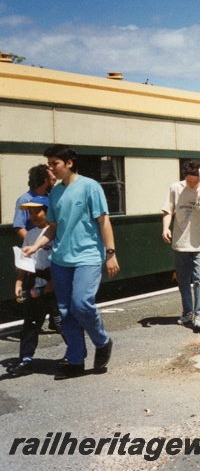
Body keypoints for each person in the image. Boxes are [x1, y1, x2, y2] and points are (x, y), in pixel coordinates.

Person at [23, 144, 119, 380]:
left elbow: (103, 221)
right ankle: (76, 360)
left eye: (55, 164)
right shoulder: (54, 193)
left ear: (69, 163)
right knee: (65, 311)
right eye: (49, 164)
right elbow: (53, 227)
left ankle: (102, 341)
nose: (51, 169)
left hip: (87, 256)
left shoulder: (90, 187)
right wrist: (34, 246)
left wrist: (111, 253)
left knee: (82, 303)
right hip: (61, 259)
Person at [7, 196, 60, 377]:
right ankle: (26, 359)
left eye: (37, 211)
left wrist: (53, 282)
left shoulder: (55, 232)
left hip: (54, 283)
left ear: (48, 211)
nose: (33, 215)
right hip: (36, 284)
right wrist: (19, 281)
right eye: (30, 212)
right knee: (30, 323)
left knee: (61, 322)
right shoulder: (30, 234)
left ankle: (76, 355)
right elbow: (24, 260)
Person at [162, 160, 200, 330]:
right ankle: (188, 312)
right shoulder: (175, 188)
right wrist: (165, 228)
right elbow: (168, 210)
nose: (192, 185)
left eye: (195, 181)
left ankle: (199, 314)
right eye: (189, 182)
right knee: (183, 281)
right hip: (181, 242)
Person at [13, 164, 55, 241]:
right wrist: (34, 246)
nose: (54, 183)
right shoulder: (24, 200)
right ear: (46, 181)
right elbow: (19, 228)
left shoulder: (51, 198)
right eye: (53, 180)